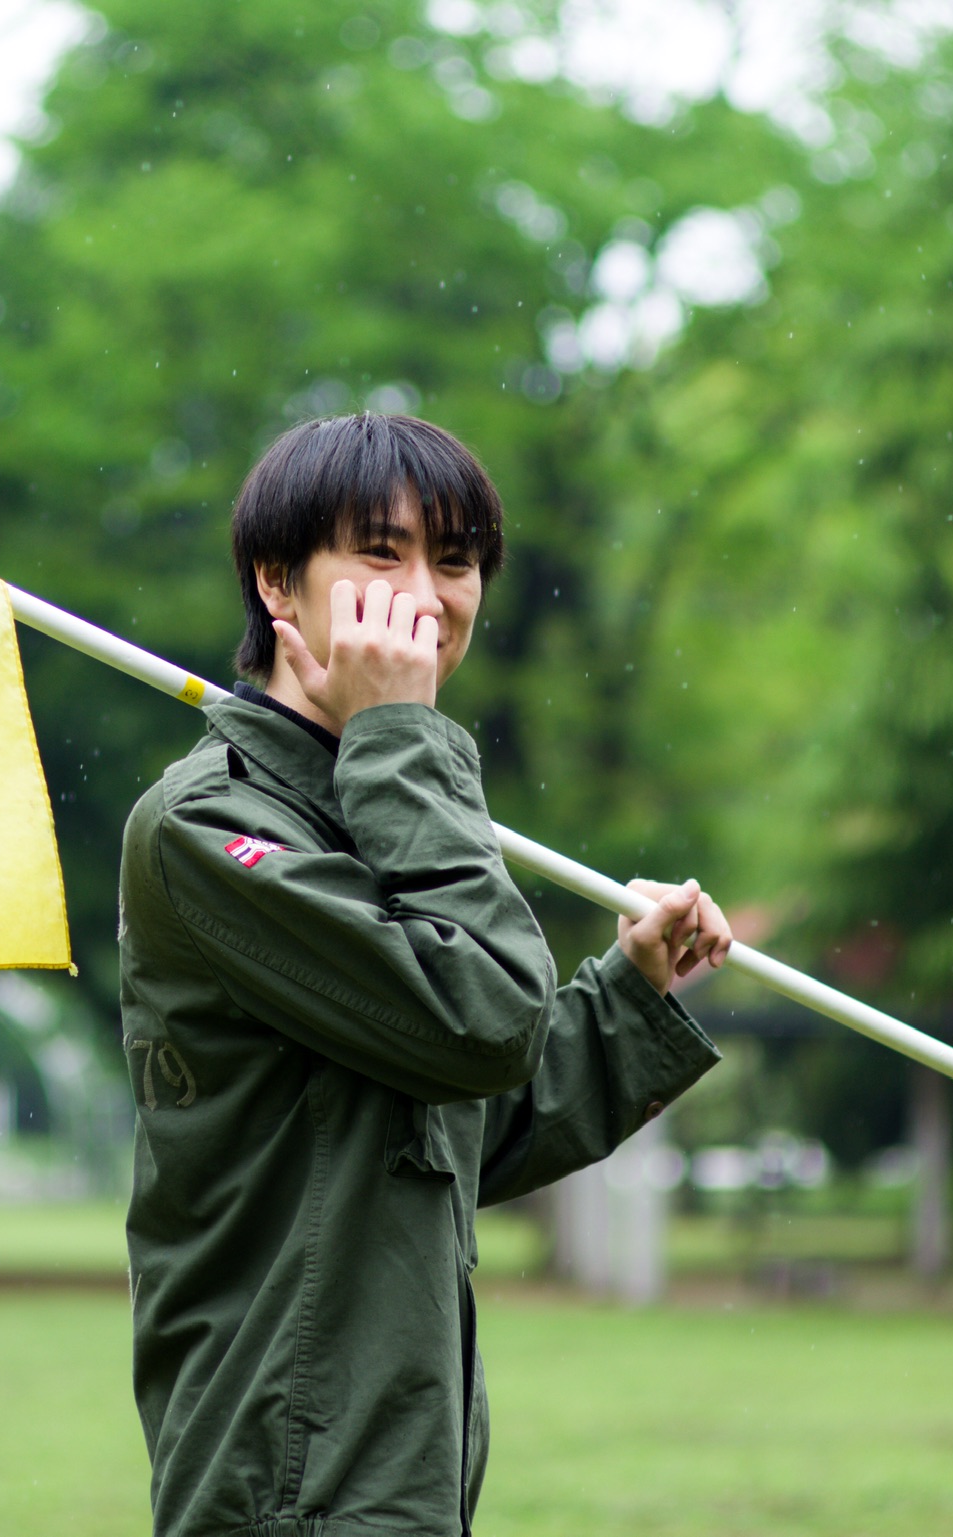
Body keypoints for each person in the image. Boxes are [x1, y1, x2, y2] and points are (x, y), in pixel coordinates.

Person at [118, 413, 735, 1537]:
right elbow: (483, 1021)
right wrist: (402, 734)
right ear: (275, 581)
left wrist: (627, 996)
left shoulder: (373, 801)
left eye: (454, 560)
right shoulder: (209, 827)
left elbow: (457, 1130)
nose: (424, 595)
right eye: (379, 552)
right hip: (288, 1484)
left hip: (395, 1469)